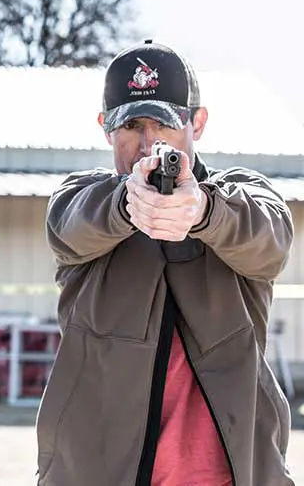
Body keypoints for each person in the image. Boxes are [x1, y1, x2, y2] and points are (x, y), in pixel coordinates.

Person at [38, 40, 295, 485]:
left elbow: (269, 239)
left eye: (165, 123)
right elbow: (73, 225)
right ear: (105, 128)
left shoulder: (239, 196)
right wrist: (126, 205)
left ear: (198, 122)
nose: (148, 144)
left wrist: (203, 212)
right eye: (132, 125)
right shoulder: (85, 198)